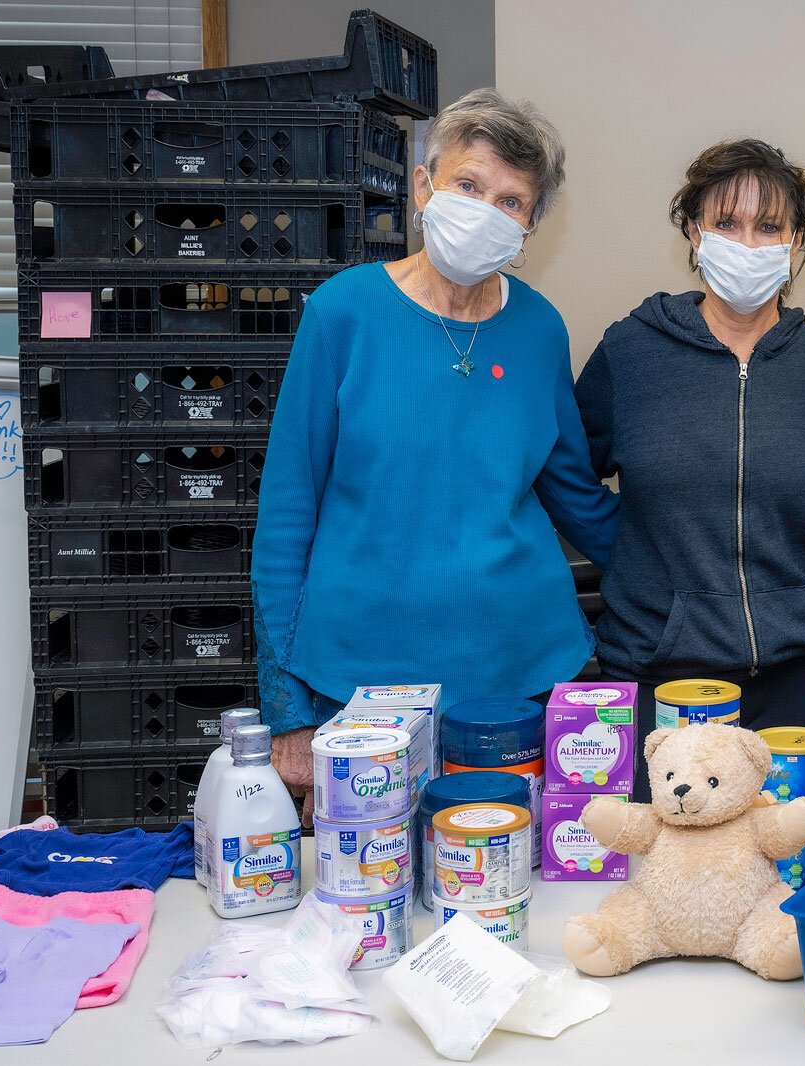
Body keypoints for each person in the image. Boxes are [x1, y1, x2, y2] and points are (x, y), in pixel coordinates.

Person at [252, 89, 618, 819]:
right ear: (423, 186)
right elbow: (287, 516)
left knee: (508, 888)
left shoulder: (540, 330)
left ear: (530, 226)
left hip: (516, 676)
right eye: (468, 185)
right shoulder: (342, 313)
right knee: (372, 892)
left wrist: (699, 551)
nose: (487, 210)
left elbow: (576, 494)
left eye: (512, 201)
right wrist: (286, 707)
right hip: (355, 681)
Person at [574, 139, 805, 795]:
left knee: (793, 873)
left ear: (795, 244)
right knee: (666, 878)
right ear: (694, 232)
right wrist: (627, 555)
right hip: (662, 677)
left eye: (769, 226)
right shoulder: (631, 352)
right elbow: (566, 474)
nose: (748, 242)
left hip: (801, 679)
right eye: (727, 223)